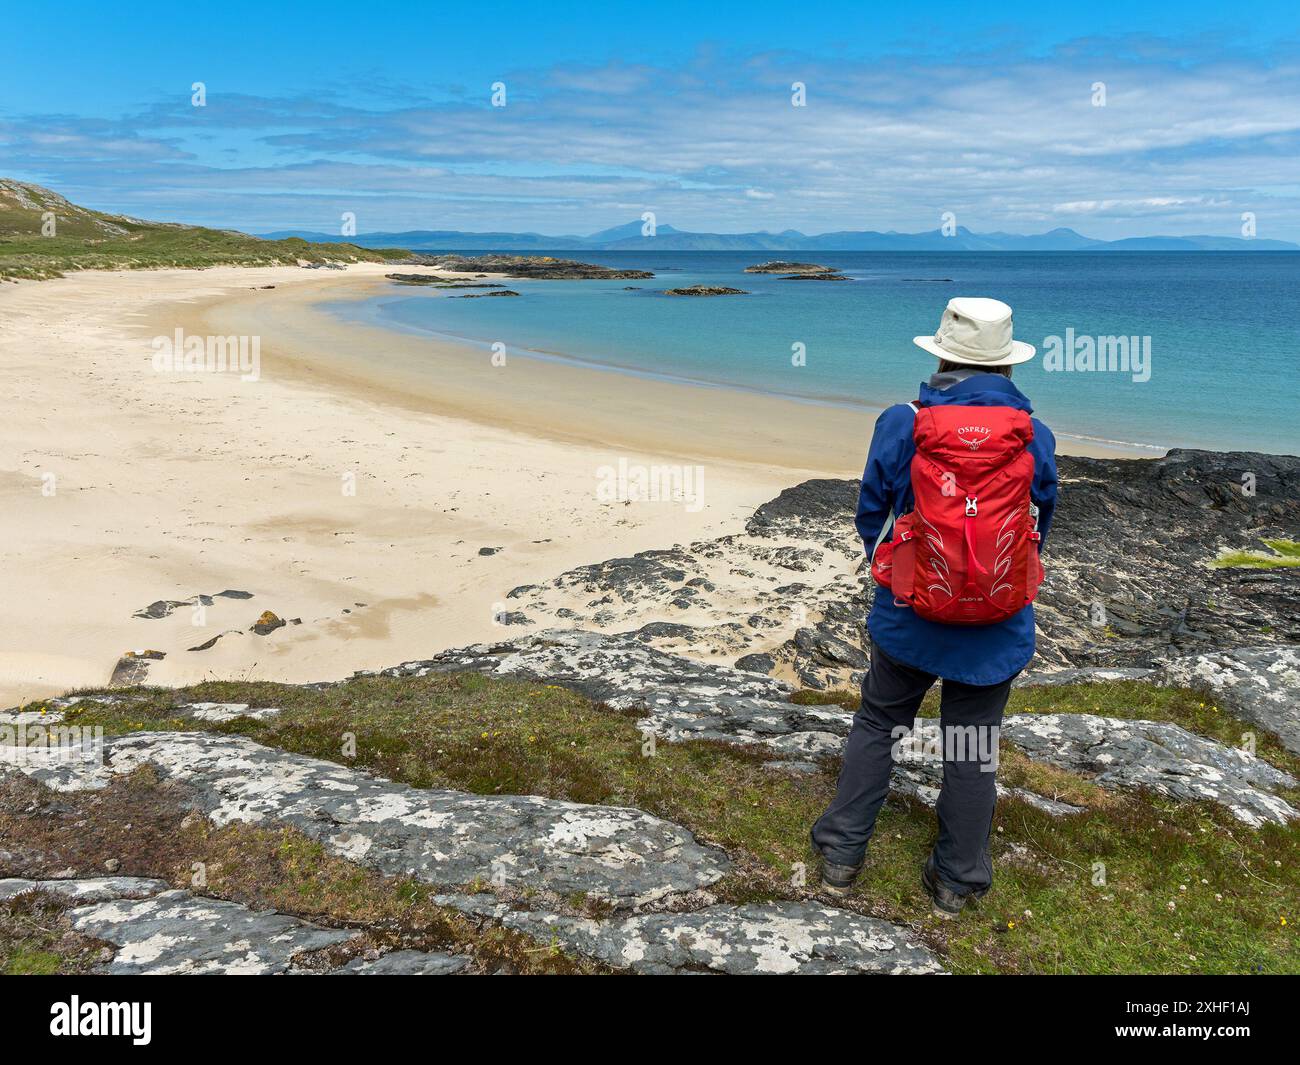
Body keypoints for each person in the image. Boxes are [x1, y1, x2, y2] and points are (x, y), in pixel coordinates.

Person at [811, 297, 1058, 918]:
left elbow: (872, 508)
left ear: (942, 353)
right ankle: (957, 881)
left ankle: (841, 857)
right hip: (997, 623)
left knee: (878, 723)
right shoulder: (1035, 434)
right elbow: (1041, 521)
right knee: (973, 743)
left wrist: (894, 570)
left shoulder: (904, 421)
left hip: (911, 611)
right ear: (1006, 366)